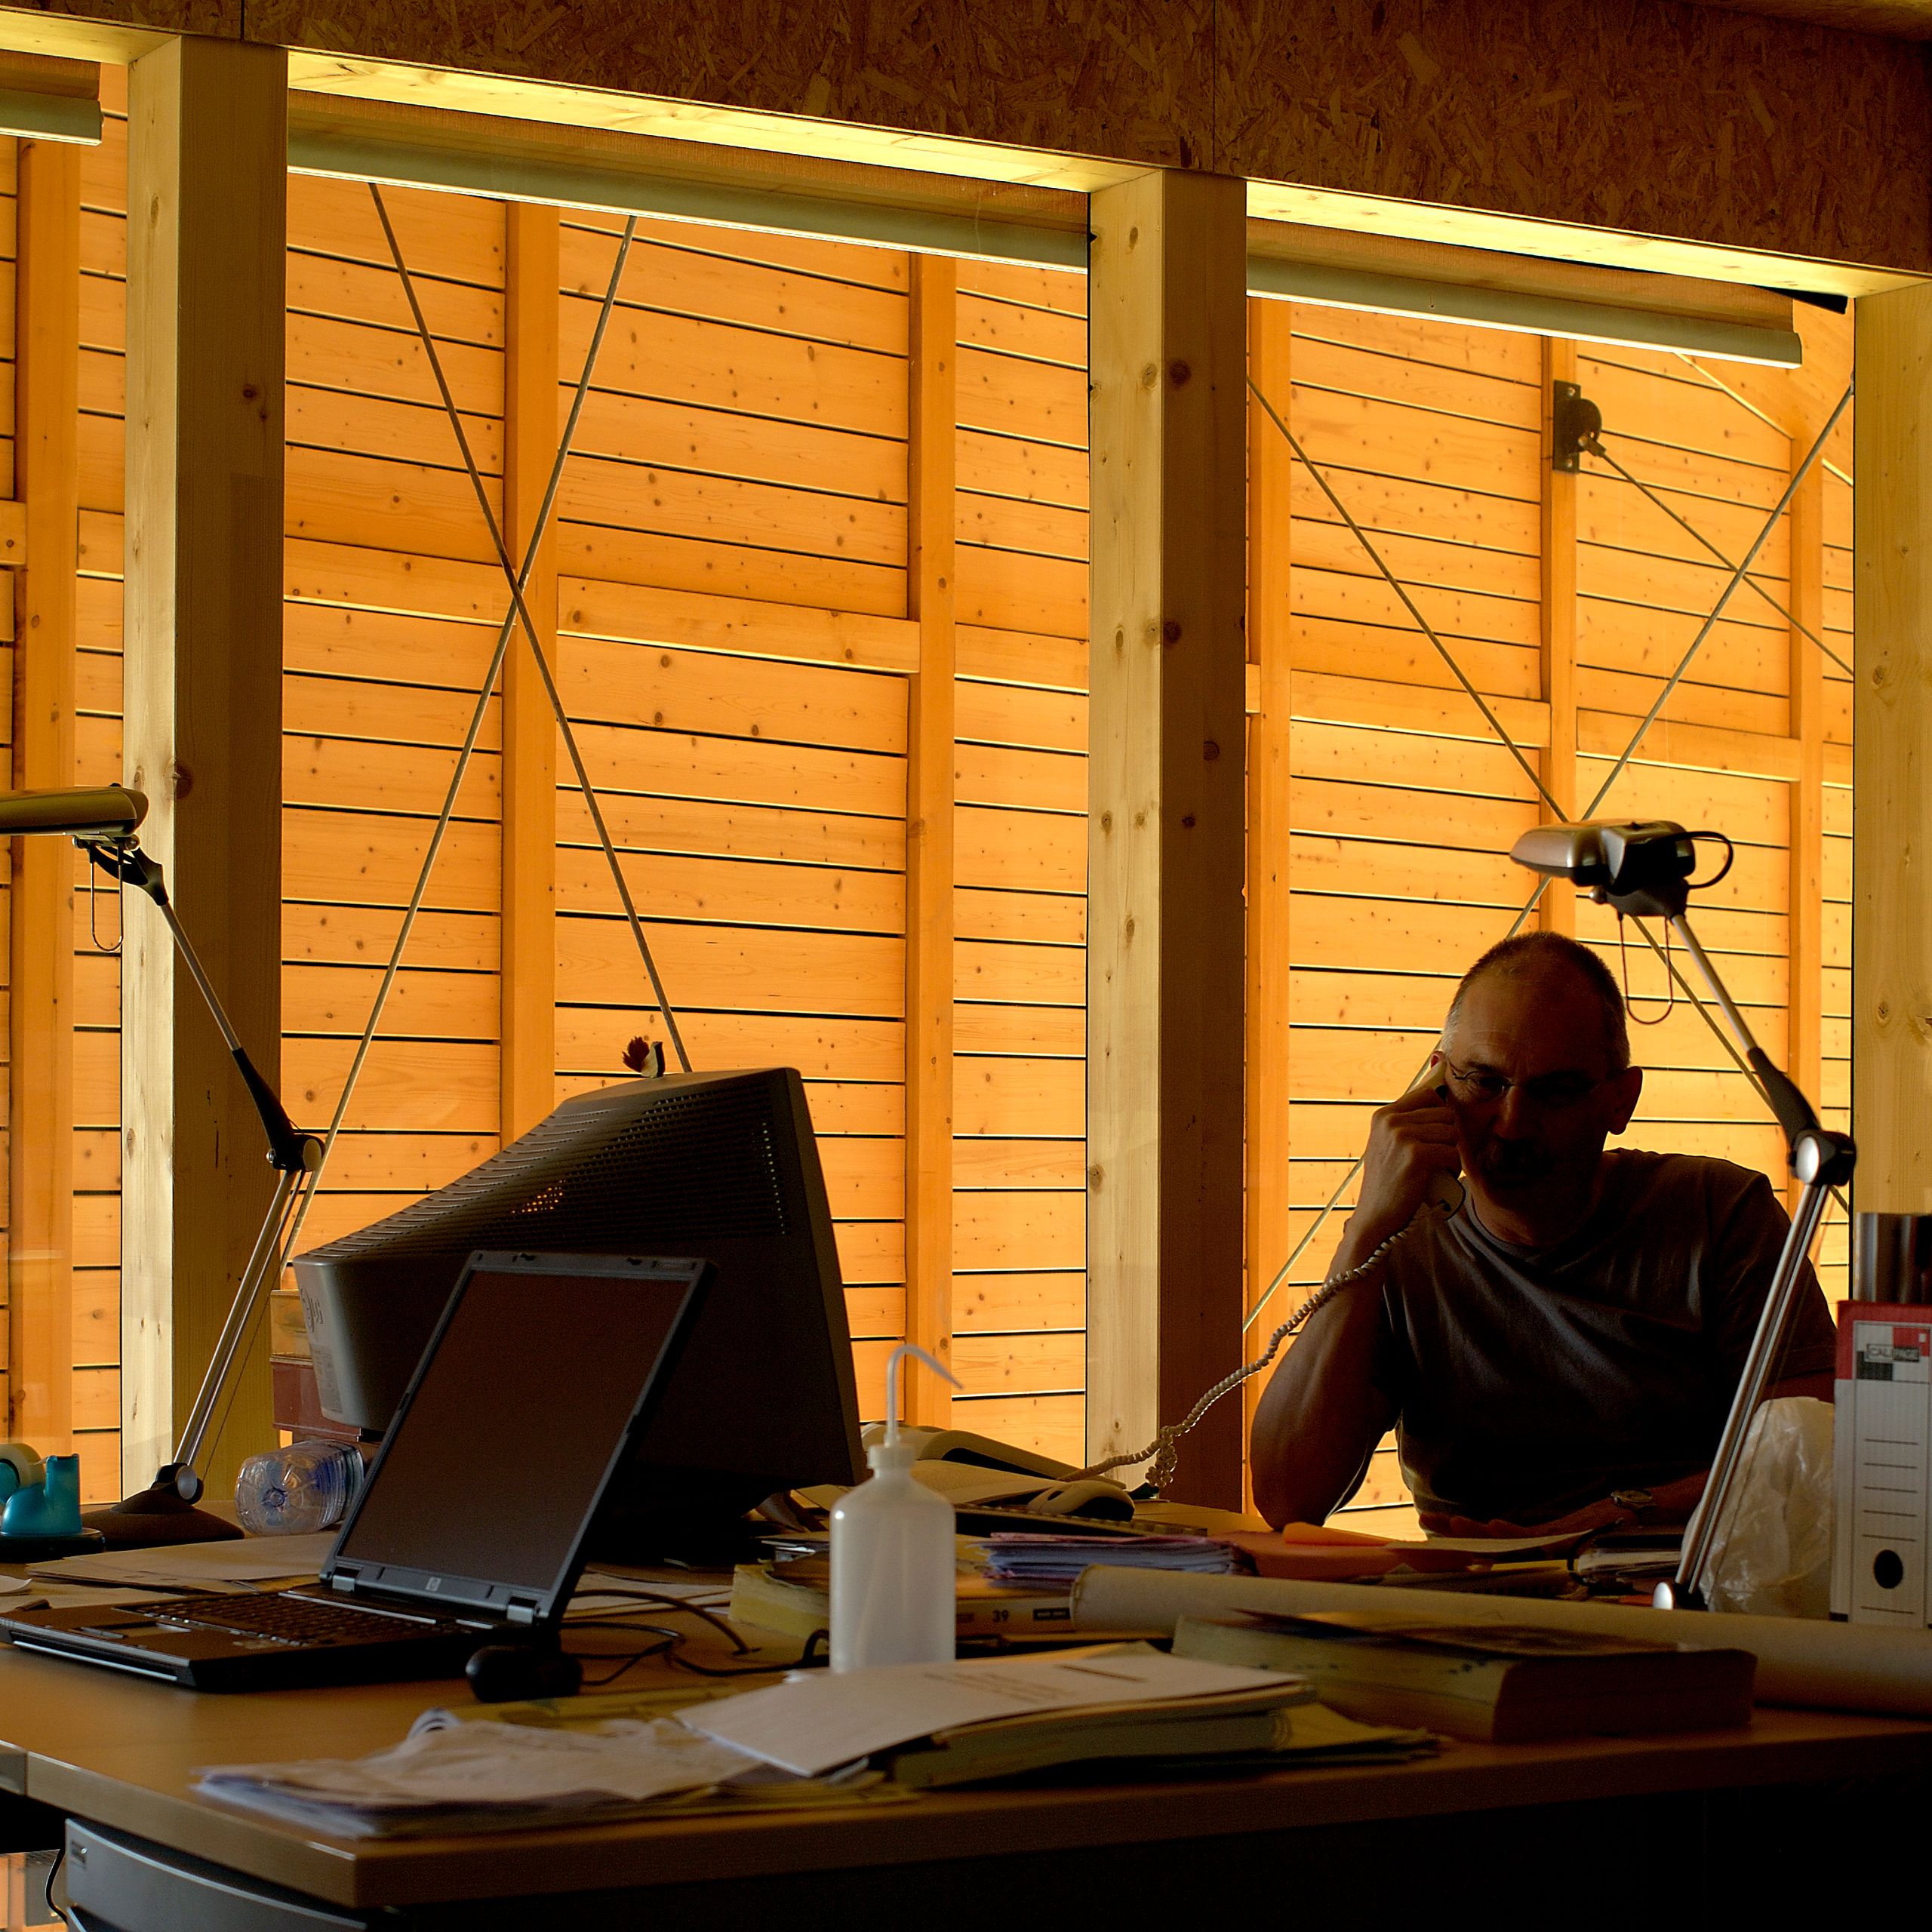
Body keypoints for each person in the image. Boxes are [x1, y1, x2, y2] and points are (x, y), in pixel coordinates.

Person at [1248, 930, 1837, 1536]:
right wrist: (1365, 1229)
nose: (1512, 1124)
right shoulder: (1399, 1248)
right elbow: (1287, 1498)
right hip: (1470, 1600)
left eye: (1554, 1091)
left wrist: (1616, 1516)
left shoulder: (1720, 1213)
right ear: (1435, 1085)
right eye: (1484, 1081)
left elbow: (1814, 1454)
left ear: (1620, 1099)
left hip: (1670, 1591)